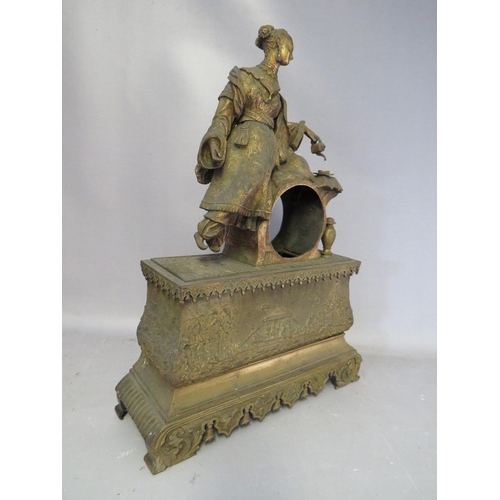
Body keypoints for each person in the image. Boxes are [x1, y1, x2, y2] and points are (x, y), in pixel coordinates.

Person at [194, 25, 326, 252]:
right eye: (289, 49)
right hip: (246, 144)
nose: (292, 56)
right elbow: (224, 114)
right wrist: (216, 137)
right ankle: (208, 228)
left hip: (268, 147)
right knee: (243, 185)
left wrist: (307, 132)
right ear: (277, 46)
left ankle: (223, 235)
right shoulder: (244, 78)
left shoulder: (278, 96)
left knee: (295, 169)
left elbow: (280, 128)